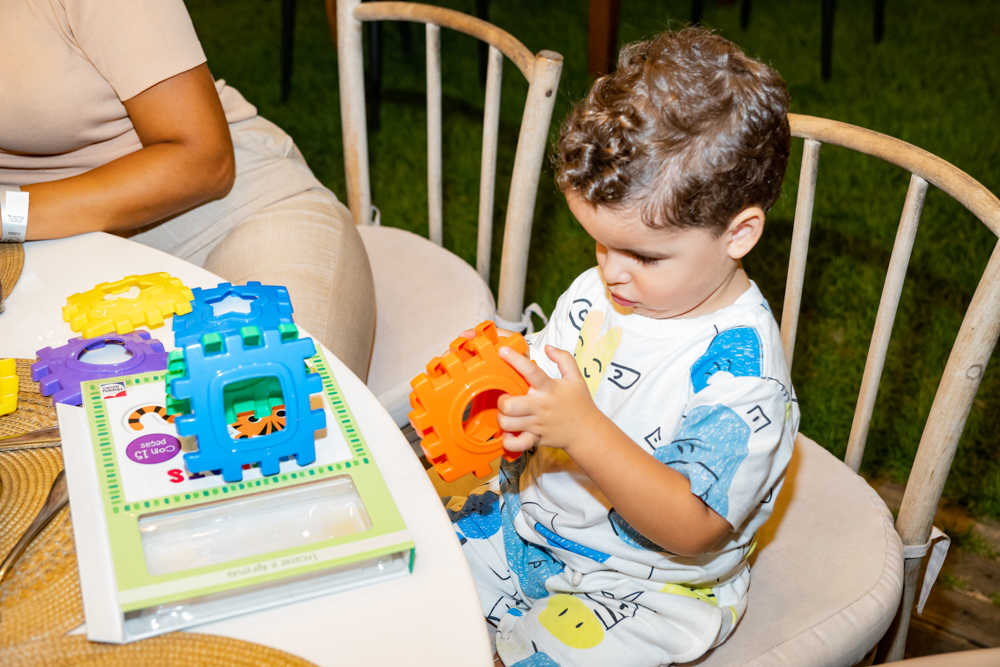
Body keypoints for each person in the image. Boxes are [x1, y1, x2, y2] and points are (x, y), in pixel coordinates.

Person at [444, 28, 800, 667]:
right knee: (416, 573)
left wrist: (582, 431)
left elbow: (693, 527)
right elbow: (550, 378)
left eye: (643, 255)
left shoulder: (741, 376)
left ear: (739, 233)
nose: (610, 273)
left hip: (645, 586)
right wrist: (507, 392)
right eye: (600, 244)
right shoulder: (605, 290)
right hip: (527, 524)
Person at [0, 0, 374, 380]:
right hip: (54, 253)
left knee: (268, 393)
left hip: (226, 214)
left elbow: (204, 161)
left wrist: (8, 212)